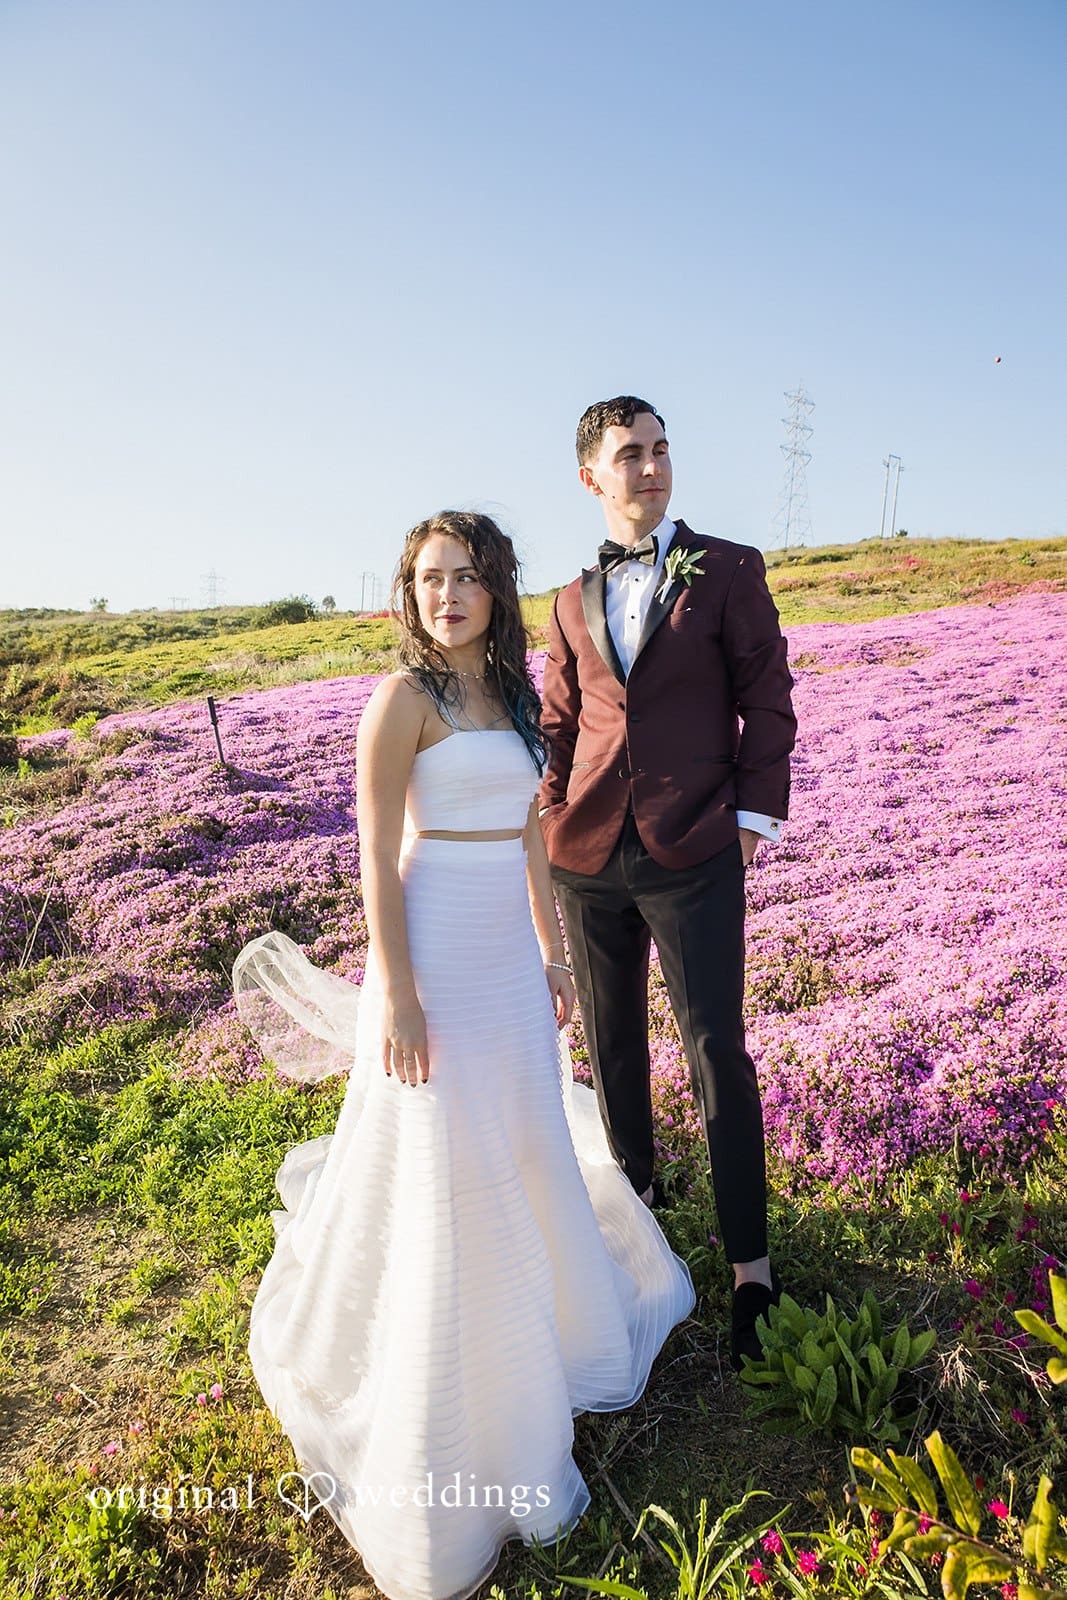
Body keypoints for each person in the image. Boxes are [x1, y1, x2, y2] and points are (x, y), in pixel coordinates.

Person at [232, 510, 694, 1600]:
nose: (447, 596)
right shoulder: (400, 702)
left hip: (504, 961)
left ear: (495, 590)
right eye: (430, 578)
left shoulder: (514, 699)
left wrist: (551, 955)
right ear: (410, 591)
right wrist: (393, 989)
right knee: (443, 1156)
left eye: (466, 579)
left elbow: (532, 837)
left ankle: (546, 1344)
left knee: (524, 1138)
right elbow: (377, 861)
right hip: (434, 951)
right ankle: (455, 1395)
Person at [538, 397, 797, 1371]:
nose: (649, 468)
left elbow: (765, 696)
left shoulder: (727, 569)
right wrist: (548, 815)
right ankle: (637, 1221)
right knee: (611, 1049)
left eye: (658, 450)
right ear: (590, 477)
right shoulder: (567, 598)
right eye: (627, 455)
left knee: (713, 1046)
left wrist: (750, 821)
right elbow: (559, 727)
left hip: (696, 850)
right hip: (586, 857)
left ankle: (750, 1269)